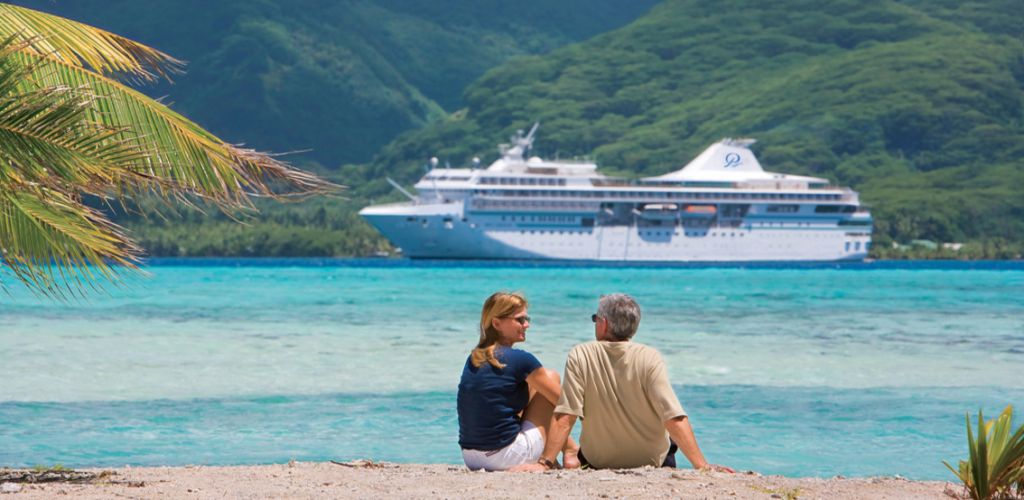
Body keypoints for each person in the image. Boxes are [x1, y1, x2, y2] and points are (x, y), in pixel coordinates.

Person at [514, 293, 732, 472]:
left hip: (597, 461)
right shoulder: (650, 356)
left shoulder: (581, 354)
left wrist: (545, 463)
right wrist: (702, 466)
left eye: (595, 319)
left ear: (604, 323)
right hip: (650, 460)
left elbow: (566, 415)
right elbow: (673, 416)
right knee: (669, 443)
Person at [457, 292, 579, 471]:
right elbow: (569, 406)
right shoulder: (521, 360)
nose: (527, 325)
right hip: (504, 456)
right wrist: (544, 464)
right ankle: (556, 457)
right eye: (520, 320)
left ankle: (570, 449)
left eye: (527, 319)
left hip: (471, 457)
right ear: (497, 323)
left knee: (531, 387)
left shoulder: (475, 357)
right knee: (550, 378)